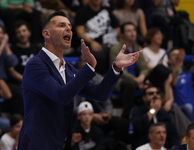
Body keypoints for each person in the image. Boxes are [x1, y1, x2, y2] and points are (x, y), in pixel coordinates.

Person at [17, 11, 142, 150]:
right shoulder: (36, 65)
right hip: (38, 144)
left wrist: (116, 67)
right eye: (61, 25)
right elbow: (61, 96)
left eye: (70, 25)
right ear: (46, 34)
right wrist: (88, 67)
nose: (68, 28)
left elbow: (99, 94)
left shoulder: (68, 69)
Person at [110, 22, 148, 118]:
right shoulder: (115, 49)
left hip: (137, 79)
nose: (132, 33)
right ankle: (125, 116)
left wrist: (141, 77)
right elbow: (118, 69)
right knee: (131, 84)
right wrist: (136, 80)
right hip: (120, 79)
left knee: (151, 85)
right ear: (122, 34)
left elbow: (144, 68)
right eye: (128, 31)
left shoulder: (138, 48)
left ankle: (148, 115)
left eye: (134, 30)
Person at [74, 0, 120, 75]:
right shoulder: (82, 12)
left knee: (117, 48)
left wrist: (112, 38)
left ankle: (116, 77)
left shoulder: (106, 11)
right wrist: (92, 42)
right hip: (87, 44)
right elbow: (80, 33)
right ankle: (100, 78)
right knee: (98, 53)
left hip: (107, 42)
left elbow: (117, 28)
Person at [130, 84, 179, 149]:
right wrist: (153, 110)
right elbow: (137, 126)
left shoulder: (164, 113)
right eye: (151, 93)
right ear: (144, 98)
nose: (155, 95)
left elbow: (173, 135)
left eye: (157, 93)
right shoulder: (138, 111)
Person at [168, 48, 194, 123]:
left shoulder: (189, 74)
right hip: (179, 111)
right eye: (174, 55)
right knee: (188, 107)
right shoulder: (168, 76)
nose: (178, 57)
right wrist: (178, 64)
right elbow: (174, 82)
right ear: (169, 60)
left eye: (179, 55)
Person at [0, 25, 24, 115]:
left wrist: (6, 45)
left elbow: (13, 62)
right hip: (1, 81)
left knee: (21, 92)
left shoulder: (3, 48)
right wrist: (3, 44)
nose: (1, 35)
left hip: (4, 81)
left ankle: (18, 121)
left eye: (2, 33)